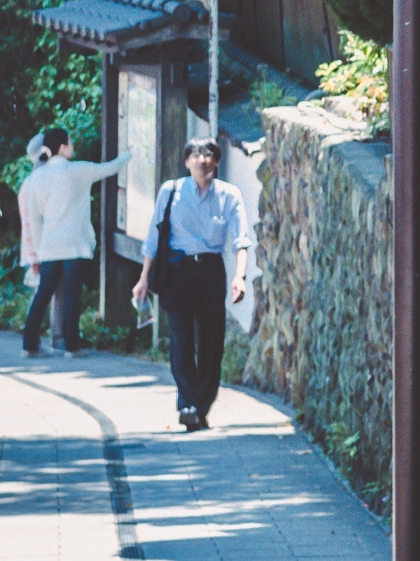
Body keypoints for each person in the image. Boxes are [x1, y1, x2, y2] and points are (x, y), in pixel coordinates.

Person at [137, 134, 248, 431]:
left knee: (212, 343)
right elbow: (153, 236)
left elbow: (241, 240)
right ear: (187, 162)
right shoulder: (171, 192)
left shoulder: (229, 195)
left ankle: (201, 405)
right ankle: (187, 404)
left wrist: (240, 275)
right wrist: (143, 278)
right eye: (196, 155)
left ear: (217, 161)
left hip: (211, 271)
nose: (203, 160)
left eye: (209, 154)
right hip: (177, 271)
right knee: (182, 340)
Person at [12, 129, 114, 357]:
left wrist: (35, 254)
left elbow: (32, 223)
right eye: (70, 141)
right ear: (62, 146)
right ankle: (70, 345)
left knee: (43, 295)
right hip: (74, 246)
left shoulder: (34, 180)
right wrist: (129, 155)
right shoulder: (75, 170)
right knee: (71, 296)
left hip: (48, 248)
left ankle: (30, 345)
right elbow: (108, 168)